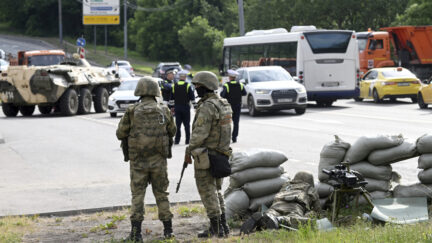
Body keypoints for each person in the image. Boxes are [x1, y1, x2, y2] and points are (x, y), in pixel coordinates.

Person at [116, 76, 176, 241]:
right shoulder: (163, 110)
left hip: (138, 162)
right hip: (159, 161)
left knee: (137, 196)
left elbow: (120, 133)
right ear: (156, 91)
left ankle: (136, 234)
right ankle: (168, 231)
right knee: (162, 194)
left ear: (139, 91)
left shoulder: (132, 111)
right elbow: (173, 131)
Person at [184, 71, 233, 238]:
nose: (196, 89)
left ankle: (217, 228)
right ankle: (223, 226)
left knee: (207, 191)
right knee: (217, 190)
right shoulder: (223, 103)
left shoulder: (207, 107)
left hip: (206, 156)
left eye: (198, 87)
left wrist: (189, 149)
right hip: (221, 155)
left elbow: (199, 134)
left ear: (206, 87)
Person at [241, 171, 321, 234]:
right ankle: (280, 220)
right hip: (295, 206)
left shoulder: (286, 185)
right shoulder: (310, 189)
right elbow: (317, 210)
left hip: (276, 205)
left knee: (269, 216)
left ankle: (262, 218)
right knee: (293, 220)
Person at [220, 69, 246, 143]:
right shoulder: (240, 85)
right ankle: (234, 137)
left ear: (230, 77)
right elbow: (244, 93)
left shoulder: (226, 85)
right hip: (238, 106)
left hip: (228, 107)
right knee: (236, 122)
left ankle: (227, 137)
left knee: (227, 122)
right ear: (235, 77)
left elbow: (222, 95)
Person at [170, 70, 195, 144]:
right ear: (185, 77)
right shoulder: (188, 85)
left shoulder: (174, 85)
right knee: (187, 125)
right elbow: (192, 98)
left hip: (177, 107)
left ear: (179, 77)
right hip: (186, 107)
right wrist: (196, 107)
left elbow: (171, 98)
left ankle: (177, 140)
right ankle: (187, 140)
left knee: (178, 125)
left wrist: (172, 107)